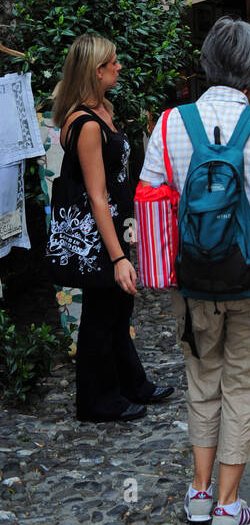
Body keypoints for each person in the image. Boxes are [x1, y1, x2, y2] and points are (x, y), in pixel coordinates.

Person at [139, 17, 250, 525]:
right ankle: (229, 508)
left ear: (206, 66)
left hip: (193, 279)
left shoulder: (169, 124)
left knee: (202, 376)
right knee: (248, 381)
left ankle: (200, 493)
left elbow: (151, 194)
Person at [47, 34, 175, 424]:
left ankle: (131, 384)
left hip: (114, 226)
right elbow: (97, 194)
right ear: (96, 70)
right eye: (113, 62)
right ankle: (97, 401)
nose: (119, 67)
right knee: (101, 314)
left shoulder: (102, 109)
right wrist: (118, 256)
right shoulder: (85, 123)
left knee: (119, 308)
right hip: (98, 233)